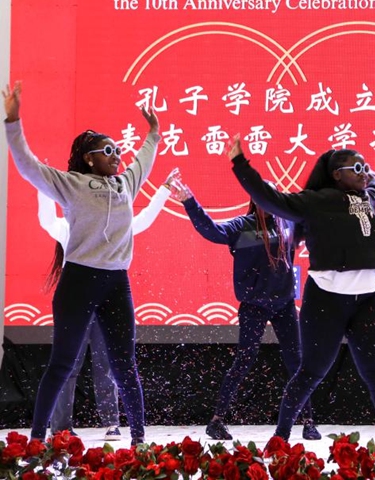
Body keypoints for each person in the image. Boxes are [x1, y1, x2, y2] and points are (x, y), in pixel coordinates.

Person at [3, 81, 160, 445]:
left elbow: (144, 160)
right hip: (79, 281)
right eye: (108, 150)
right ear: (89, 157)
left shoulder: (126, 184)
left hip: (116, 284)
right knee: (62, 364)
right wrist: (13, 121)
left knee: (125, 367)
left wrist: (153, 133)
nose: (117, 155)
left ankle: (139, 442)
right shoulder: (70, 183)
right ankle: (37, 439)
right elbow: (27, 165)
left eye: (118, 150)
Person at [228, 136, 375, 443]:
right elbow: (269, 198)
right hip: (326, 302)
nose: (363, 173)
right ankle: (280, 439)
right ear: (336, 174)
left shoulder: (366, 198)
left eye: (366, 168)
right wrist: (240, 164)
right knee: (310, 372)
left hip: (368, 301)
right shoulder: (314, 201)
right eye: (356, 168)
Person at [171, 178, 321, 441]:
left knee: (297, 362)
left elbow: (313, 223)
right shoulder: (242, 226)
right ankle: (216, 420)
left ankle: (309, 421)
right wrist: (189, 202)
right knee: (245, 359)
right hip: (253, 305)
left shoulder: (288, 223)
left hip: (284, 303)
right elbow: (210, 230)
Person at [40, 168, 180, 440]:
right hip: (76, 301)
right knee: (68, 365)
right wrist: (40, 185)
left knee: (108, 364)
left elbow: (143, 220)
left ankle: (111, 423)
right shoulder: (68, 226)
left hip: (106, 301)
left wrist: (162, 191)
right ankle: (60, 427)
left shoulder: (116, 226)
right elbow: (46, 219)